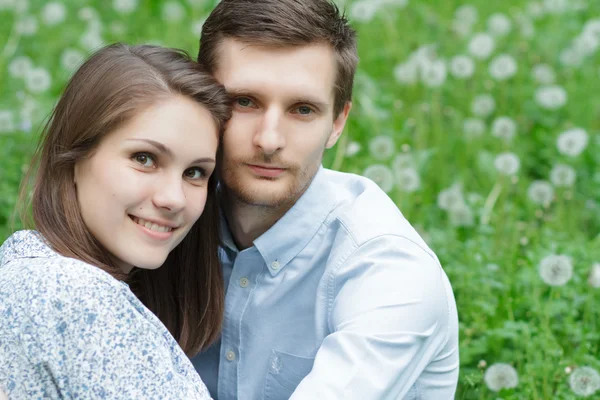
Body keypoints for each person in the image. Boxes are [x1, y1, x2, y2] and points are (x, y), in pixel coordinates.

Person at [190, 0, 460, 399]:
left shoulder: (388, 272)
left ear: (337, 123)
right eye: (244, 101)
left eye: (302, 109)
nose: (269, 140)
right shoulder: (165, 219)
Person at [0, 43, 230, 399]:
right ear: (76, 155)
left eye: (195, 172)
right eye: (144, 158)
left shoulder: (27, 271)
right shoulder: (77, 295)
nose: (173, 198)